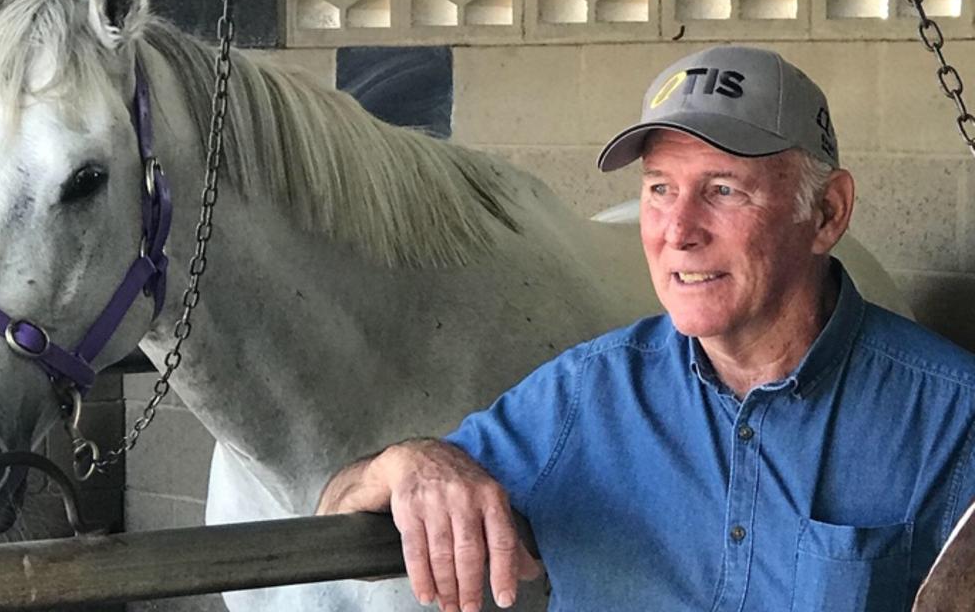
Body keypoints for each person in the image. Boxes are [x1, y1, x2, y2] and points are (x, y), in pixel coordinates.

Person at [317, 45, 975, 612]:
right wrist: (411, 461)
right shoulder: (587, 396)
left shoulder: (951, 415)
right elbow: (334, 518)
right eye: (660, 189)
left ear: (827, 213)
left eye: (723, 190)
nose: (679, 232)